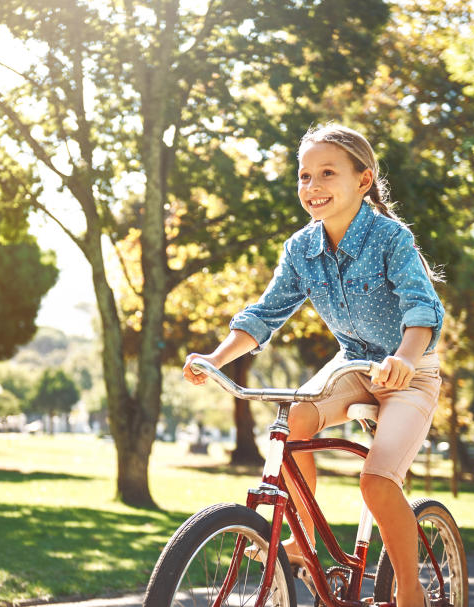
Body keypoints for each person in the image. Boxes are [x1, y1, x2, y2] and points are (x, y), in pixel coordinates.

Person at [182, 123, 444, 607]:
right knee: (294, 419)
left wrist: (404, 360)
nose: (313, 186)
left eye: (327, 173)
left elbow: (420, 308)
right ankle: (302, 544)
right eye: (304, 176)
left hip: (410, 374)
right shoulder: (301, 249)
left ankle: (410, 591)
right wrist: (215, 359)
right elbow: (265, 313)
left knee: (377, 482)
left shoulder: (391, 238)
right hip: (352, 368)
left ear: (363, 181)